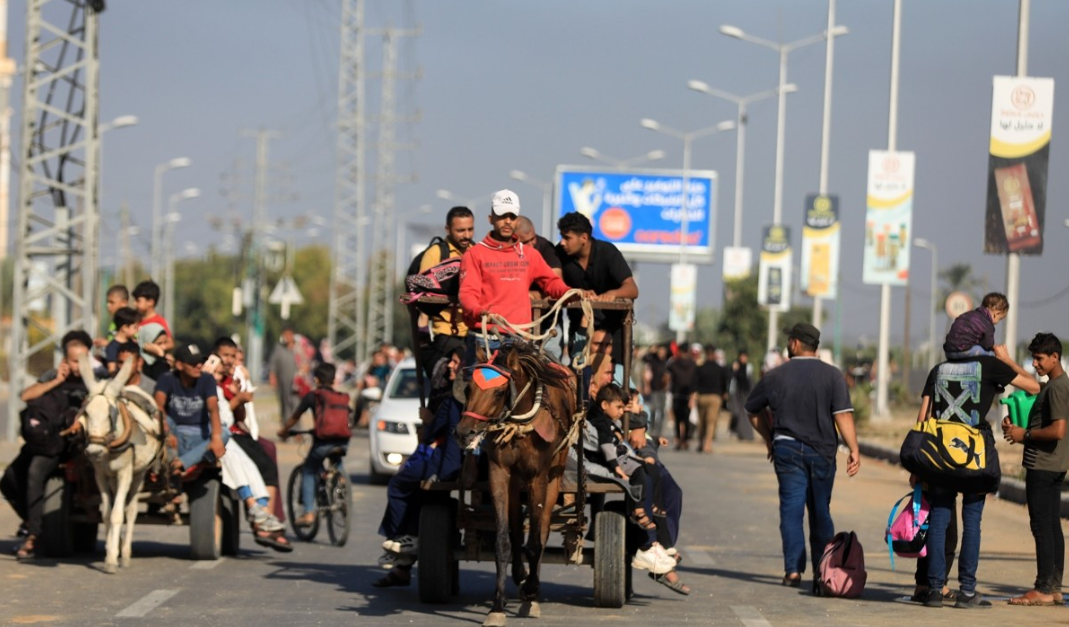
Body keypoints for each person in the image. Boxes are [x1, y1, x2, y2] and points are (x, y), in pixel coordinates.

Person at [914, 337, 1039, 608]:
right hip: (975, 457)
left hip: (940, 455)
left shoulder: (938, 370)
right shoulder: (989, 366)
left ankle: (934, 590)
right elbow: (1034, 386)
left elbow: (923, 417)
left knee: (938, 521)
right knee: (972, 522)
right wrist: (1005, 359)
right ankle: (967, 591)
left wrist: (919, 464)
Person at [744, 322, 861, 593]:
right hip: (821, 452)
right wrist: (853, 448)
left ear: (795, 344)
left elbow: (751, 409)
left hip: (786, 448)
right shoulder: (832, 376)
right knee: (821, 511)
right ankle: (824, 572)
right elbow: (842, 415)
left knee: (791, 510)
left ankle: (793, 570)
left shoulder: (775, 375)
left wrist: (769, 437)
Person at [1, 331, 99, 559]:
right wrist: (56, 381)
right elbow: (27, 395)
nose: (77, 366)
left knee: (36, 472)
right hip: (44, 441)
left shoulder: (94, 380)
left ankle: (34, 535)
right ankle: (34, 521)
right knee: (9, 480)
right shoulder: (53, 376)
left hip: (70, 446)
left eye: (82, 360)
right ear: (65, 359)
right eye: (73, 360)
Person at [374, 349, 466, 587]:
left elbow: (434, 433)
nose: (450, 366)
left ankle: (398, 540)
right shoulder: (475, 396)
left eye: (455, 362)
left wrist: (428, 421)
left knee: (399, 483)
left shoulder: (454, 401)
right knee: (416, 490)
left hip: (447, 463)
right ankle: (402, 557)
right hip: (452, 461)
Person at [458, 189, 578, 363]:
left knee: (542, 386)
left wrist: (570, 293)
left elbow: (551, 282)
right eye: (502, 215)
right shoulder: (474, 255)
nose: (507, 221)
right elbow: (467, 293)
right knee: (475, 388)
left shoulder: (529, 255)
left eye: (512, 216)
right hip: (485, 339)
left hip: (519, 341)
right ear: (491, 218)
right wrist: (479, 311)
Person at [1002, 332, 1067, 607]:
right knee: (1052, 525)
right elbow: (1031, 385)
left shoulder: (1058, 388)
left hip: (1043, 465)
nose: (1035, 364)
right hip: (1052, 465)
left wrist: (1024, 435)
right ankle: (1053, 588)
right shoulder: (1054, 384)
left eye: (1039, 359)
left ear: (1055, 357)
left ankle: (1043, 587)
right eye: (1033, 358)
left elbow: (1058, 430)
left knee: (1042, 526)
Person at [554, 211, 638, 365]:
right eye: (561, 237)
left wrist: (613, 294)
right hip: (580, 327)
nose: (562, 242)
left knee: (615, 379)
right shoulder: (558, 254)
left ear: (584, 238)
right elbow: (554, 284)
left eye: (567, 238)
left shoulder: (607, 252)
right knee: (579, 377)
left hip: (615, 328)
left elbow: (632, 289)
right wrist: (576, 293)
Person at [278, 362, 350, 529]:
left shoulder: (313, 396)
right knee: (336, 461)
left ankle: (309, 513)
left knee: (309, 470)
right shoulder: (341, 397)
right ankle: (341, 483)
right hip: (342, 442)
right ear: (333, 380)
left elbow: (295, 417)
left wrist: (284, 430)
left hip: (323, 442)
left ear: (316, 380)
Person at [417, 205, 475, 381]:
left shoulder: (477, 252)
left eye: (470, 229)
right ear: (448, 229)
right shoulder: (436, 254)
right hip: (446, 334)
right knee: (448, 384)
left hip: (473, 333)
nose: (466, 235)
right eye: (460, 230)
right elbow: (421, 293)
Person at [155, 344, 227, 475]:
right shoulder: (167, 379)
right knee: (166, 421)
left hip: (199, 436)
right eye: (193, 363)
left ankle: (181, 463)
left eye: (200, 362)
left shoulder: (207, 379)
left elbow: (213, 408)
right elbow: (158, 406)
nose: (199, 366)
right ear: (179, 365)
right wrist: (167, 432)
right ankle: (172, 467)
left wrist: (216, 437)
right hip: (175, 435)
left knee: (225, 432)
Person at [514, 215, 564, 360]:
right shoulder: (507, 253)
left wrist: (536, 294)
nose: (531, 245)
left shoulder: (545, 248)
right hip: (517, 320)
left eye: (533, 239)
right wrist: (524, 293)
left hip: (548, 319)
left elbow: (556, 283)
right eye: (525, 242)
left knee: (551, 360)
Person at [943, 292, 1008, 359]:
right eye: (1000, 318)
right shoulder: (988, 324)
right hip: (965, 351)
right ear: (996, 314)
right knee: (991, 354)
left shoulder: (966, 315)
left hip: (948, 352)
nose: (998, 322)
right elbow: (988, 346)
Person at [133, 280, 174, 380]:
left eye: (138, 301)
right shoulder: (135, 320)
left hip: (152, 370)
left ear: (150, 302)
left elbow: (170, 343)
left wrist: (155, 348)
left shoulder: (159, 321)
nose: (135, 304)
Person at [695, 344, 730, 454]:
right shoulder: (720, 369)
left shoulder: (700, 368)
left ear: (705, 353)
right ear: (714, 354)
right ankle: (708, 444)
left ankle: (701, 443)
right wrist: (724, 393)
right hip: (715, 397)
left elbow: (695, 382)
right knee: (711, 421)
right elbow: (725, 382)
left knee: (701, 421)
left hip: (702, 396)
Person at [667, 344, 698, 450]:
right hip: (688, 395)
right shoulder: (693, 364)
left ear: (679, 351)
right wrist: (693, 395)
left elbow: (667, 376)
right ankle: (685, 440)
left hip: (676, 394)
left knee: (678, 419)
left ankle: (679, 439)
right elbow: (695, 381)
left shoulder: (674, 363)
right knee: (686, 418)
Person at [268, 325, 300, 426]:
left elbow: (307, 362)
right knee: (285, 406)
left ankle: (297, 430)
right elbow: (273, 364)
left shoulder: (298, 348)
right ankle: (286, 428)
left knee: (296, 405)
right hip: (283, 383)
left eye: (289, 335)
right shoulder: (278, 348)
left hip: (297, 384)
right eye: (285, 335)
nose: (287, 337)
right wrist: (272, 377)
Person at [642, 344, 670, 439]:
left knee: (661, 411)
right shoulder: (653, 361)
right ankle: (652, 430)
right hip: (653, 389)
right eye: (660, 351)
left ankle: (659, 431)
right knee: (653, 410)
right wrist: (651, 351)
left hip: (662, 390)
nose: (661, 353)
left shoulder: (667, 362)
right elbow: (644, 358)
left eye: (663, 351)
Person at [104, 307, 140, 374]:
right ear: (124, 328)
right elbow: (112, 369)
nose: (137, 330)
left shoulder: (132, 343)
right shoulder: (112, 347)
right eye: (135, 327)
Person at [94, 284, 130, 349]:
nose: (108, 305)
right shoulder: (113, 321)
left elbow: (131, 346)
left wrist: (107, 343)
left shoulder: (130, 321)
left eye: (112, 302)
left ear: (124, 303)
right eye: (107, 302)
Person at [729, 351, 754, 440]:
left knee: (745, 413)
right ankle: (737, 431)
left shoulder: (749, 367)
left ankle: (746, 434)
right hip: (736, 392)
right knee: (736, 412)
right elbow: (732, 380)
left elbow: (750, 381)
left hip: (745, 393)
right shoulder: (735, 366)